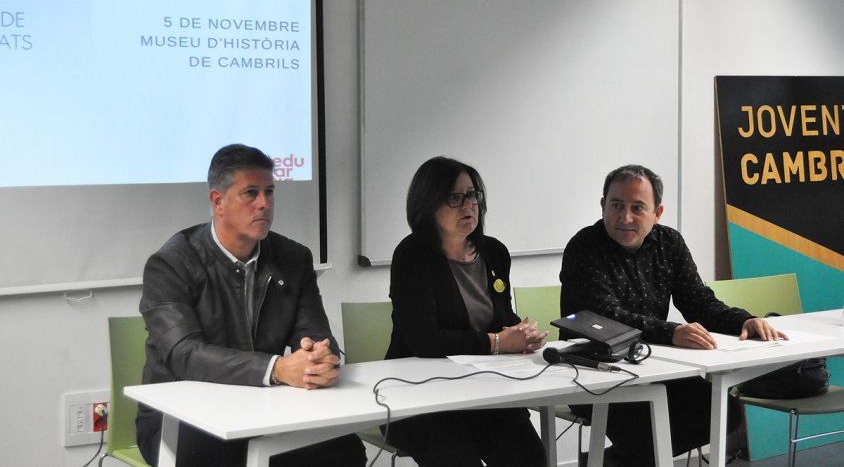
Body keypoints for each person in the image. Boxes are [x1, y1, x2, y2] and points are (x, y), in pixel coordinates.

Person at [136, 144, 366, 467]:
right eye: (251, 193)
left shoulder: (294, 259)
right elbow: (184, 354)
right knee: (217, 456)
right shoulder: (172, 263)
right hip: (180, 419)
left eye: (270, 192)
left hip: (264, 409)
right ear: (218, 201)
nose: (265, 204)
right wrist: (278, 368)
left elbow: (314, 334)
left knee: (342, 449)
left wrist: (318, 358)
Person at [559, 164, 787, 466]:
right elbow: (607, 316)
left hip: (654, 367)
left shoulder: (670, 243)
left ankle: (606, 461)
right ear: (603, 206)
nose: (625, 217)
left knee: (724, 412)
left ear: (657, 213)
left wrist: (743, 320)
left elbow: (699, 302)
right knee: (644, 429)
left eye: (637, 208)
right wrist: (672, 332)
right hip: (593, 372)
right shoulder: (583, 247)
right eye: (616, 205)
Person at [383, 156, 548, 467]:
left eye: (472, 195)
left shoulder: (493, 252)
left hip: (484, 391)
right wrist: (498, 343)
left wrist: (521, 333)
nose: (468, 205)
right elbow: (425, 341)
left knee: (529, 457)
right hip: (420, 399)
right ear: (428, 205)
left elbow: (501, 317)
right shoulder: (412, 256)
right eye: (454, 198)